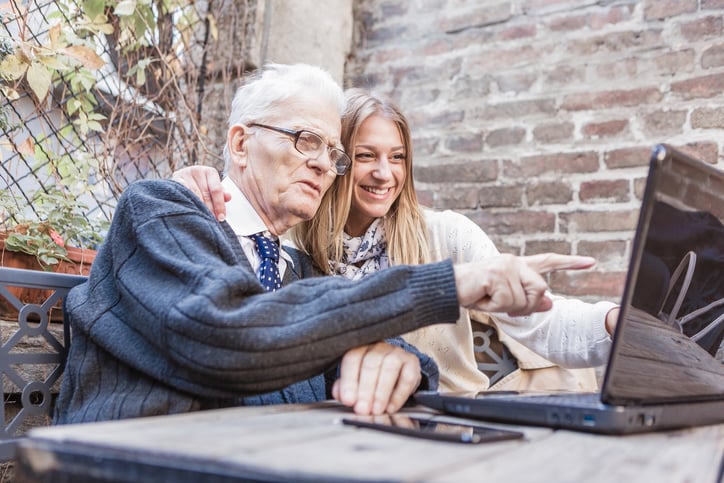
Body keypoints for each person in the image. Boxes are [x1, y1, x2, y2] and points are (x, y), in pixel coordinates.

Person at [54, 64, 596, 425]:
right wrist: (446, 284)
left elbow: (328, 333)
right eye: (304, 140)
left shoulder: (295, 264)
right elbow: (230, 333)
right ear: (241, 143)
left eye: (332, 152)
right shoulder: (163, 208)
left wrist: (398, 360)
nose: (322, 163)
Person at [176, 87, 619, 394]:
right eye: (366, 156)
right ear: (337, 160)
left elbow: (540, 323)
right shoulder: (291, 239)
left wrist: (612, 322)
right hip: (335, 428)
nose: (384, 174)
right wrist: (197, 182)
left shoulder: (446, 235)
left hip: (448, 421)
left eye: (398, 158)